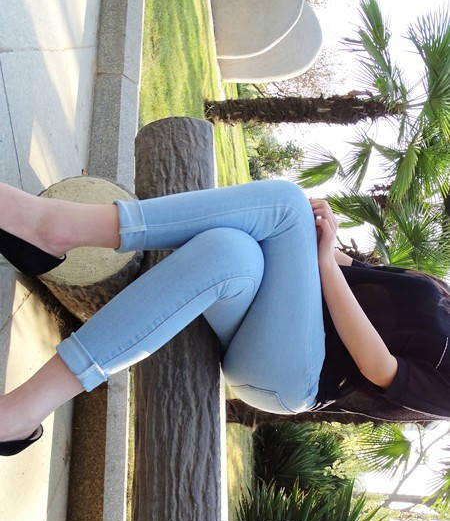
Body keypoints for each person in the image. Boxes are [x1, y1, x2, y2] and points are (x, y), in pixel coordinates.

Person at [0, 178, 448, 456]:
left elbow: (380, 368)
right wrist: (324, 239)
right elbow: (358, 277)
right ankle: (22, 412)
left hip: (294, 377)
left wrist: (325, 261)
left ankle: (51, 226)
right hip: (269, 317)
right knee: (229, 250)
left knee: (285, 203)